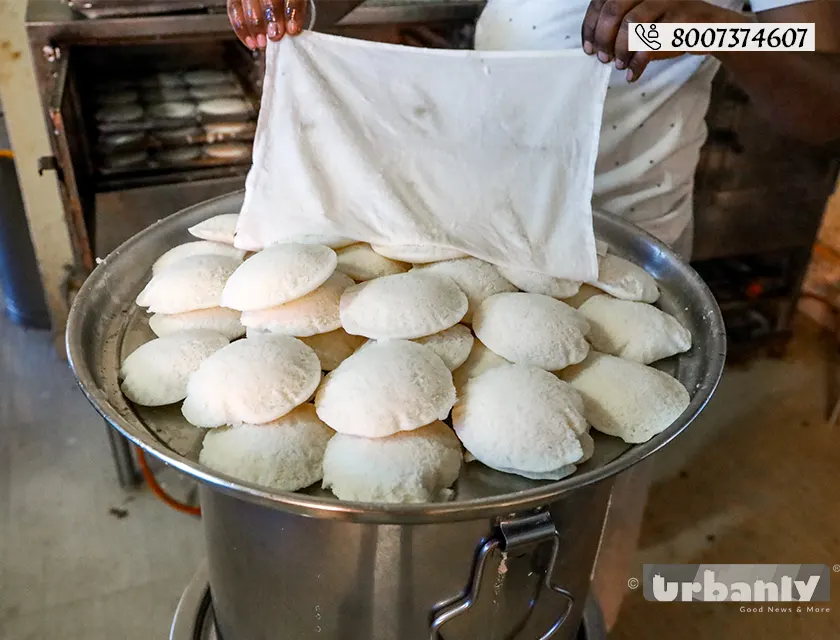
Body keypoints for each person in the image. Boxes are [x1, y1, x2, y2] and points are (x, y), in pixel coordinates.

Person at [225, 0, 840, 628]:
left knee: (582, 516)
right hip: (473, 220)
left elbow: (824, 99)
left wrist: (709, 28)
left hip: (613, 265)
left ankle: (562, 606)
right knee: (437, 481)